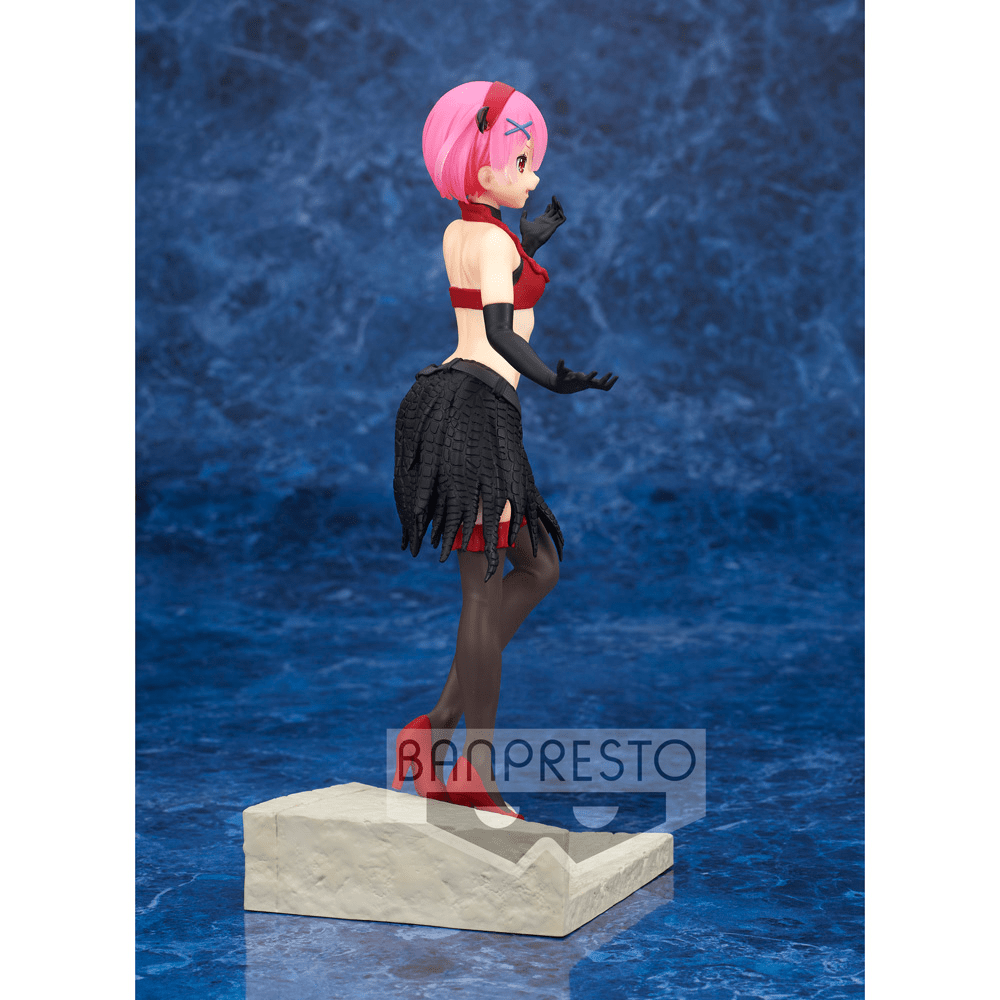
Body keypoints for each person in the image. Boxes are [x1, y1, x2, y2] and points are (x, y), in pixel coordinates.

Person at [392, 81, 617, 818]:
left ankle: (436, 729)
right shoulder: (489, 241)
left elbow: (497, 290)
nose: (534, 173)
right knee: (483, 590)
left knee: (537, 566)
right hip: (475, 417)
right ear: (478, 166)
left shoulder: (468, 234)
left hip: (472, 407)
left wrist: (530, 245)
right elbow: (496, 328)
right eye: (521, 162)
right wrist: (556, 379)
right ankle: (470, 774)